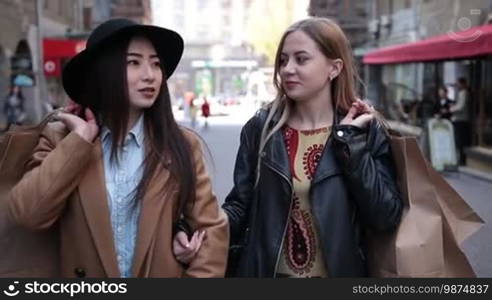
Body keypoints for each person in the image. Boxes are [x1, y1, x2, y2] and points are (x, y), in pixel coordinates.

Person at [173, 17, 402, 277]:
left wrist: (351, 143)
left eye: (301, 59)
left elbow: (386, 216)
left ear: (334, 68)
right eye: (283, 60)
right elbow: (240, 206)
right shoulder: (261, 128)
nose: (288, 69)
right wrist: (192, 230)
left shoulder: (365, 131)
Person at [8, 18, 228, 278]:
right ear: (103, 71)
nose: (150, 74)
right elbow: (28, 213)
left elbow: (212, 230)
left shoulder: (181, 145)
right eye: (133, 62)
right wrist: (79, 141)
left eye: (156, 64)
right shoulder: (61, 139)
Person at [450, 77, 471, 164]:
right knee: (459, 140)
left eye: (458, 83)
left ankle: (462, 160)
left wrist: (451, 109)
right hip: (460, 120)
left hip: (461, 120)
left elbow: (461, 107)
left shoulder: (464, 93)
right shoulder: (461, 93)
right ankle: (460, 159)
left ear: (463, 84)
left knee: (460, 140)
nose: (457, 85)